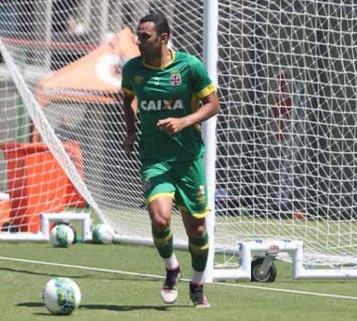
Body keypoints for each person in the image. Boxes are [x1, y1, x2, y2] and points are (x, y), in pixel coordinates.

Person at [121, 12, 220, 308]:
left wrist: (183, 121)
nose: (138, 42)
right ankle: (172, 268)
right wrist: (130, 132)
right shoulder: (133, 70)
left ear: (163, 38)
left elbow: (213, 105)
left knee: (197, 229)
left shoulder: (189, 67)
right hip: (154, 158)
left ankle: (198, 284)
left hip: (187, 158)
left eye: (145, 37)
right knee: (160, 217)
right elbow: (126, 99)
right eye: (138, 36)